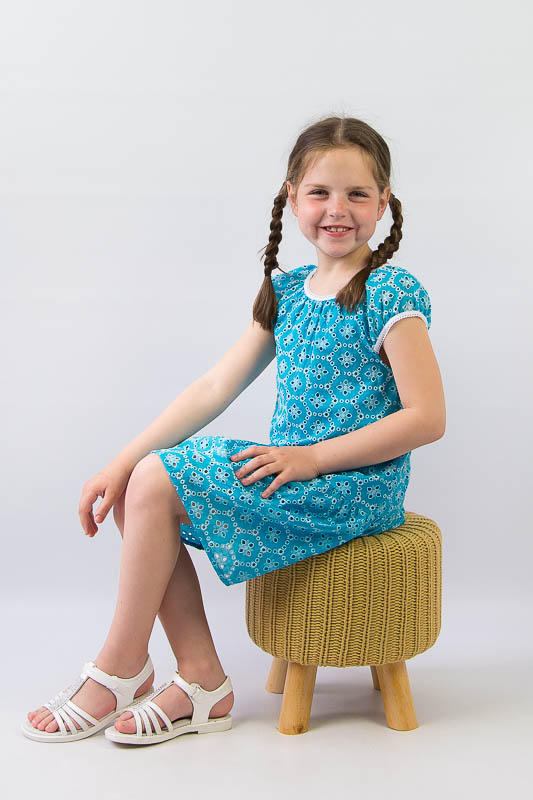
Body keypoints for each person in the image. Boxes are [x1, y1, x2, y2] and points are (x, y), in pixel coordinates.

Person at [23, 114, 446, 746]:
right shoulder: (288, 291)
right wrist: (120, 460)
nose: (337, 209)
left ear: (383, 203)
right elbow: (215, 386)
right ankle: (199, 676)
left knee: (157, 482)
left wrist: (311, 458)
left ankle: (122, 668)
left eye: (357, 194)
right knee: (140, 482)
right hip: (293, 471)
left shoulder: (390, 292)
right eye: (320, 193)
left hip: (352, 488)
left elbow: (427, 417)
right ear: (292, 199)